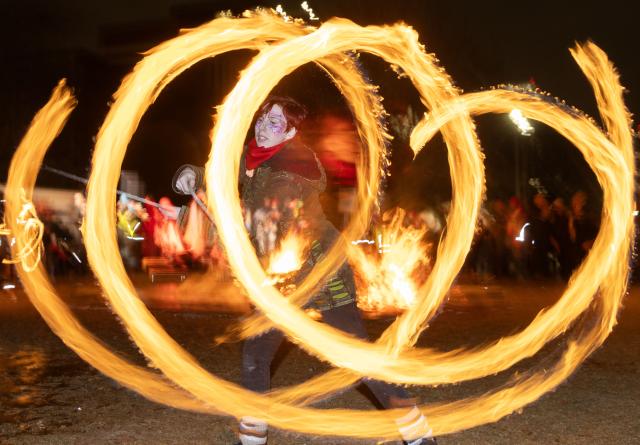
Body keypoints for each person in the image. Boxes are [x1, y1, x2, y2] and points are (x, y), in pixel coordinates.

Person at [173, 96, 436, 445]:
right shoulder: (249, 156)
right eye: (263, 117)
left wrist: (225, 225)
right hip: (281, 278)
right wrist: (192, 176)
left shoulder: (297, 164)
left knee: (355, 356)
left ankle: (417, 434)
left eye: (274, 122)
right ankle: (252, 438)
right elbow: (218, 174)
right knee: (256, 350)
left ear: (291, 131)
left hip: (321, 271)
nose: (263, 127)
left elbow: (273, 216)